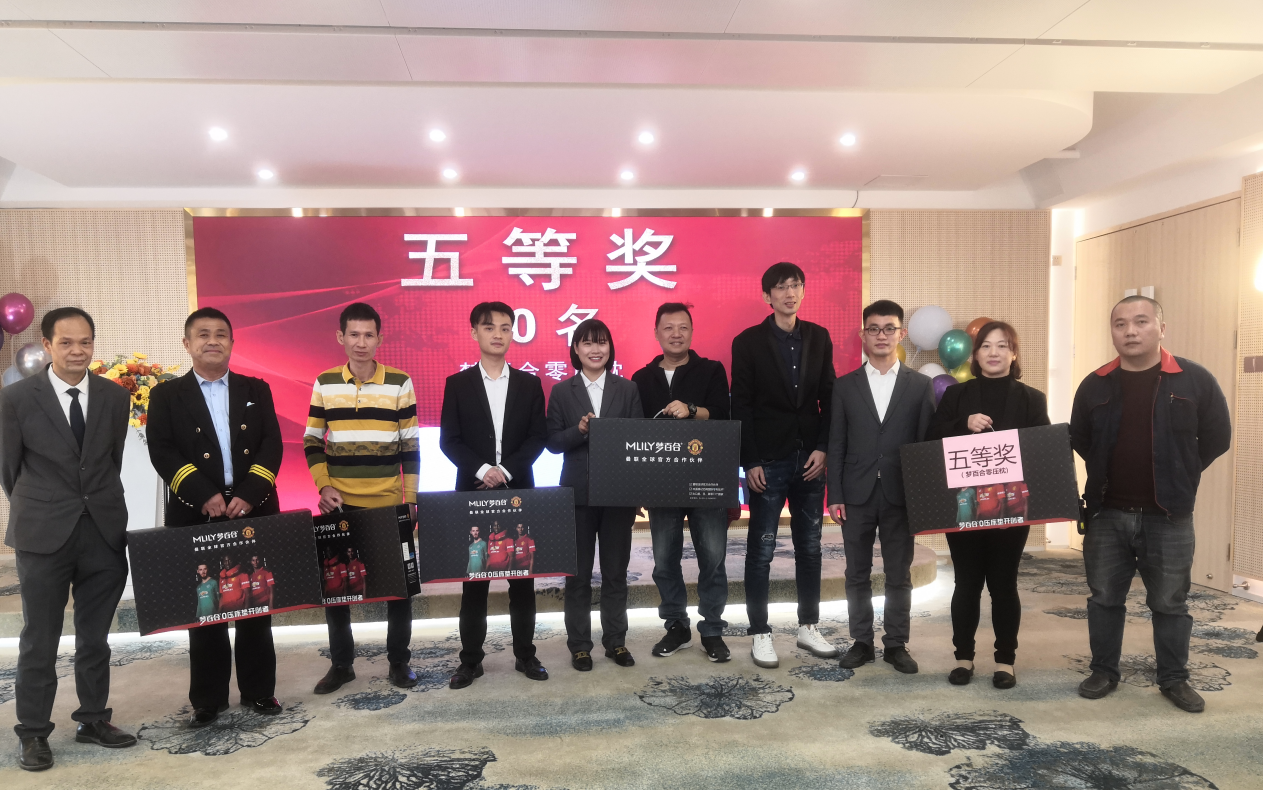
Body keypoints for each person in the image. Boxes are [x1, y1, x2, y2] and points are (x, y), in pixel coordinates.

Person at [1071, 296, 1231, 713]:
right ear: (1112, 332)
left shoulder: (1194, 380)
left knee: (1170, 602)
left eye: (1141, 321)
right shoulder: (1095, 384)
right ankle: (1104, 671)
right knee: (1104, 597)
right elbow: (1082, 440)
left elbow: (1218, 437)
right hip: (1107, 512)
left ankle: (1174, 678)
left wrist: (1183, 471)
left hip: (1169, 514)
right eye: (1120, 323)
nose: (1130, 331)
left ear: (1161, 327)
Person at [1, 307, 137, 770]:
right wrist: (45, 505)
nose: (78, 351)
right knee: (39, 638)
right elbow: (9, 470)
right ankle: (33, 732)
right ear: (47, 345)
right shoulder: (16, 399)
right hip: (43, 533)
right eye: (66, 342)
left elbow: (111, 461)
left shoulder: (115, 397)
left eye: (85, 342)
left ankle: (93, 719)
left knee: (95, 636)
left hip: (102, 529)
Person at [146, 306, 284, 728]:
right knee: (205, 608)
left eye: (221, 334)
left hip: (252, 509)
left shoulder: (255, 389)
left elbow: (271, 445)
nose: (212, 341)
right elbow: (162, 451)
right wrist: (203, 495)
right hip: (195, 512)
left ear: (232, 342)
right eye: (203, 334)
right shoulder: (166, 395)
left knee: (255, 602)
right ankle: (208, 699)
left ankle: (259, 690)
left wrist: (249, 495)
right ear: (187, 344)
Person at [304, 302, 419, 694]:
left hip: (389, 502)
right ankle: (342, 664)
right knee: (337, 588)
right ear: (341, 337)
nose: (361, 342)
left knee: (400, 589)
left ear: (380, 339)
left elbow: (410, 447)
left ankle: (399, 661)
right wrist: (324, 486)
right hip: (339, 505)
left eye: (369, 335)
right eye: (353, 334)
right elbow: (312, 440)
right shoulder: (325, 382)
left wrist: (411, 499)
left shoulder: (400, 383)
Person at [927, 320, 1049, 689]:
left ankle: (1005, 661)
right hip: (964, 504)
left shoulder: (1032, 399)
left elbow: (1043, 449)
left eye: (1002, 345)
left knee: (1003, 584)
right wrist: (963, 424)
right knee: (966, 583)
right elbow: (930, 439)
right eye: (986, 346)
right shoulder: (956, 396)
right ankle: (963, 658)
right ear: (975, 355)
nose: (993, 352)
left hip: (1011, 507)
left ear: (1014, 354)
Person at [731, 262, 838, 668]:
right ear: (767, 296)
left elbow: (828, 397)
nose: (789, 293)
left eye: (795, 285)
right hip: (768, 461)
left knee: (810, 548)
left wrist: (824, 447)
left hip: (810, 458)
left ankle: (808, 626)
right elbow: (741, 404)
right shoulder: (747, 342)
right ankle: (760, 632)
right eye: (780, 287)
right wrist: (749, 461)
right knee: (761, 550)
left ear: (803, 291)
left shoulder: (819, 337)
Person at [440, 301, 549, 688]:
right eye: (489, 327)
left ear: (513, 333)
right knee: (475, 580)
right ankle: (470, 660)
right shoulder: (458, 384)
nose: (498, 334)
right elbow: (449, 440)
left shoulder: (529, 384)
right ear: (475, 333)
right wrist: (482, 469)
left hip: (518, 491)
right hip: (473, 493)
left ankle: (526, 655)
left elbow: (538, 437)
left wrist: (504, 471)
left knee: (522, 578)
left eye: (505, 327)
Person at [827, 300, 934, 675]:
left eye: (889, 328)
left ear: (901, 334)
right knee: (856, 573)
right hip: (855, 493)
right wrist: (835, 494)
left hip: (901, 493)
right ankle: (861, 641)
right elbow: (836, 444)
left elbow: (925, 445)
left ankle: (896, 644)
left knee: (898, 574)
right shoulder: (845, 386)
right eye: (874, 328)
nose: (881, 335)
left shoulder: (920, 386)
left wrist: (923, 497)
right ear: (863, 334)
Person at [631, 302, 734, 662]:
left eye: (683, 327)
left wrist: (691, 410)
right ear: (656, 333)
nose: (676, 334)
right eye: (668, 328)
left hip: (707, 479)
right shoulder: (641, 378)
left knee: (713, 559)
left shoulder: (711, 370)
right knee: (664, 561)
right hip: (661, 483)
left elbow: (723, 416)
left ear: (692, 331)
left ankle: (712, 629)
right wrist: (637, 487)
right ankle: (676, 625)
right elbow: (634, 436)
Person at [547, 318, 644, 672]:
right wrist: (579, 430)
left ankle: (616, 641)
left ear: (610, 348)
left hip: (618, 495)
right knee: (578, 576)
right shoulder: (562, 391)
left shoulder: (627, 389)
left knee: (616, 573)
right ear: (575, 349)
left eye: (601, 342)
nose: (595, 349)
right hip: (577, 497)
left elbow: (638, 440)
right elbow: (552, 442)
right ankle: (580, 646)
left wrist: (637, 492)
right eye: (587, 343)